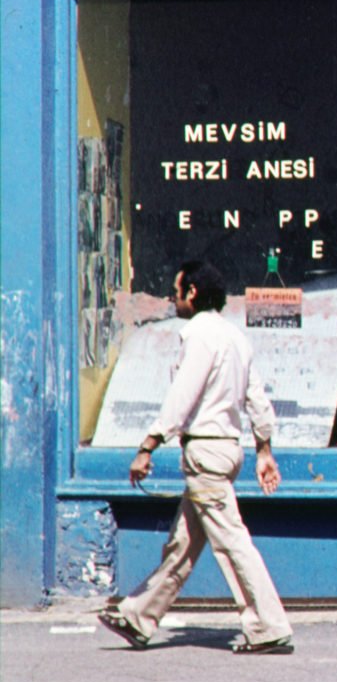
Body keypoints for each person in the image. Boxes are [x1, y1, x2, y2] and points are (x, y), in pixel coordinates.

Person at [97, 260, 294, 655]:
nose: (172, 298)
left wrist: (149, 444)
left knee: (232, 542)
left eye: (176, 290)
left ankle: (268, 625)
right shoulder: (235, 337)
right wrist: (264, 449)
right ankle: (139, 616)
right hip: (227, 449)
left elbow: (182, 396)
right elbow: (256, 397)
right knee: (183, 545)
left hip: (204, 451)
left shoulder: (199, 335)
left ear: (192, 292)